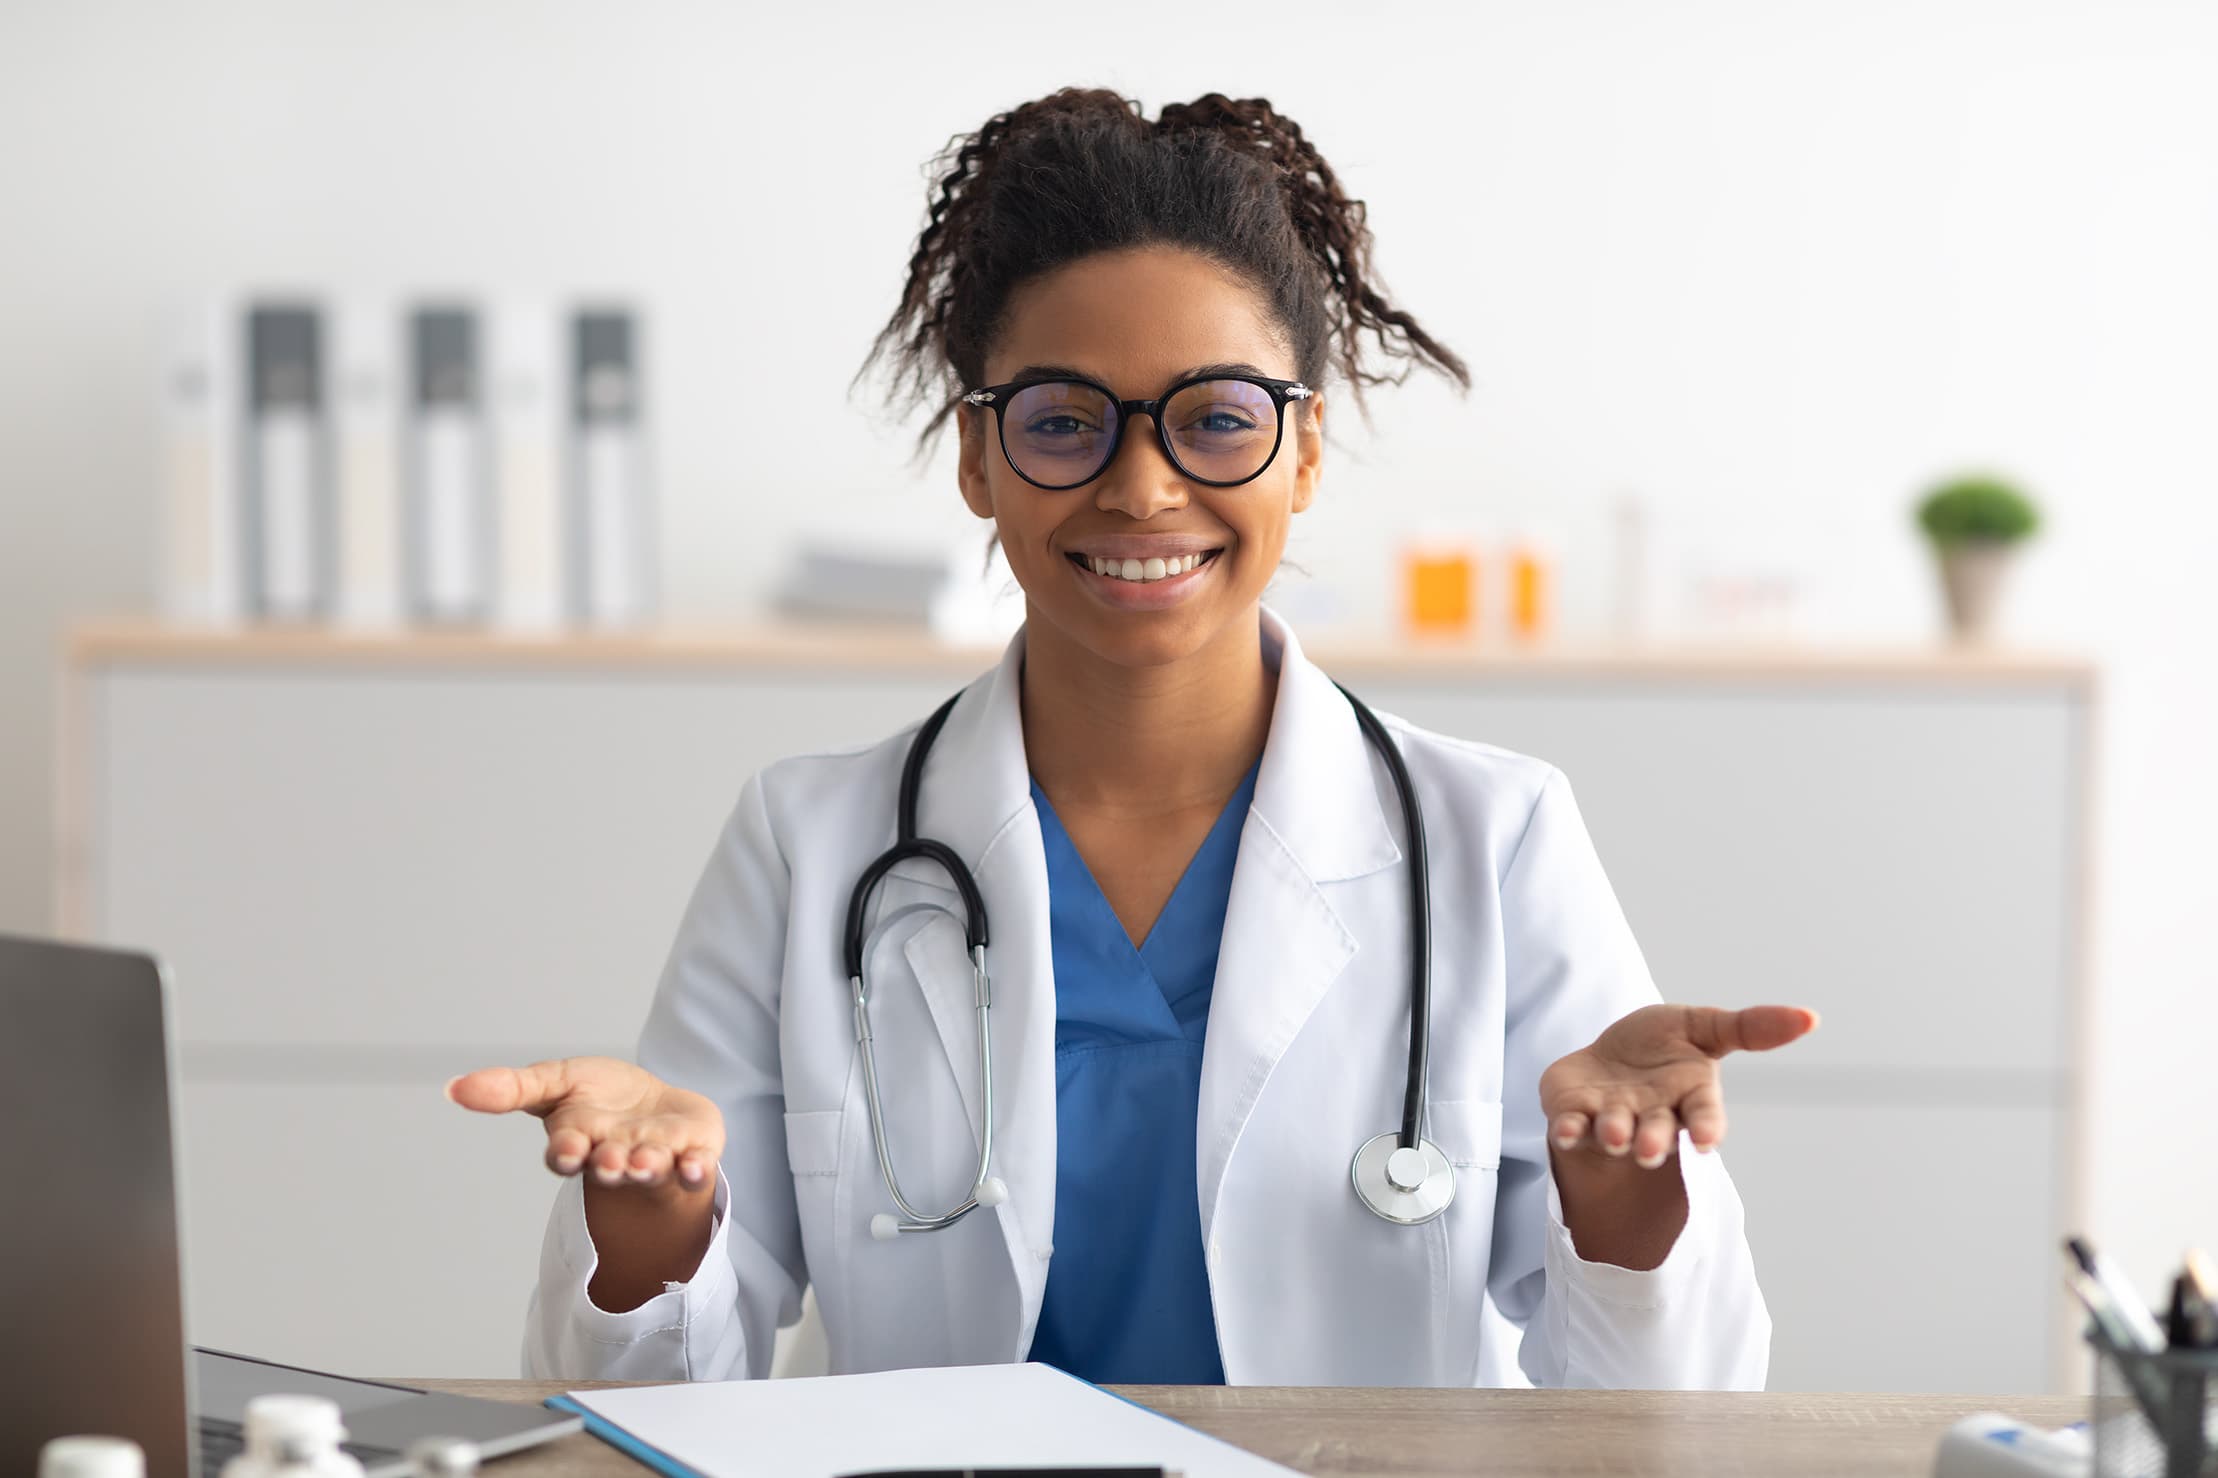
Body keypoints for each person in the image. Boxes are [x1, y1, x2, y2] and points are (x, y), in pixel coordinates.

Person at [449, 86, 1816, 1388]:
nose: (1142, 483)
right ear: (979, 459)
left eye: (1216, 418)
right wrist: (650, 1226)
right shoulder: (809, 843)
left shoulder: (1492, 834)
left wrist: (1625, 1192)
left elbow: (1672, 1401)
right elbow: (638, 1391)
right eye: (1061, 422)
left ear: (1304, 451)